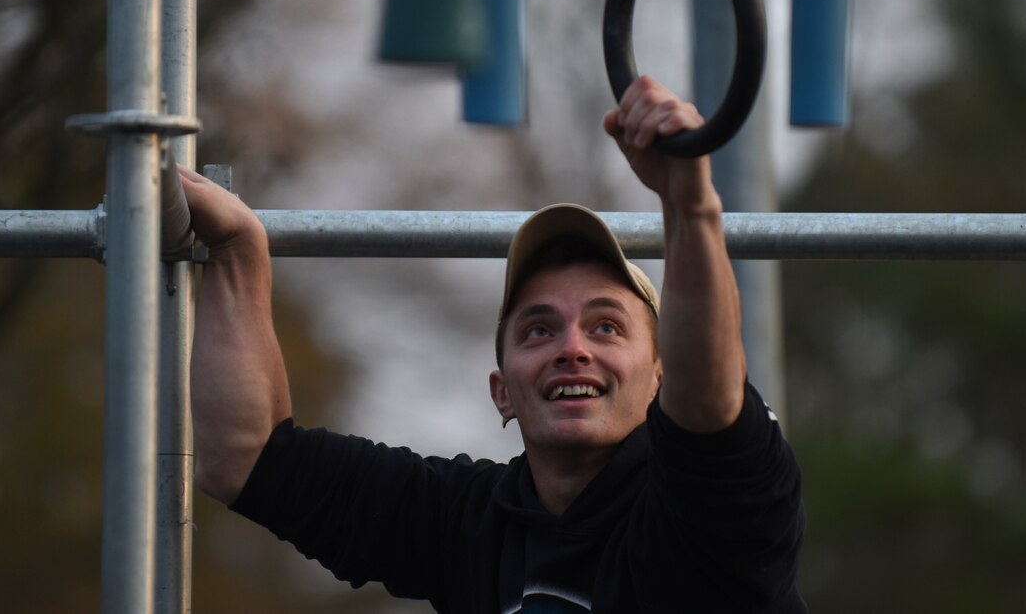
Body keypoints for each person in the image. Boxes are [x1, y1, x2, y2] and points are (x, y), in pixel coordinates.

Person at [181, 75, 807, 612]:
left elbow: (710, 400)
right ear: (503, 391)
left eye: (607, 326)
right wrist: (238, 250)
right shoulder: (468, 522)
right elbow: (244, 457)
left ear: (662, 380)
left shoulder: (710, 508)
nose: (572, 347)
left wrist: (690, 205)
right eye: (538, 329)